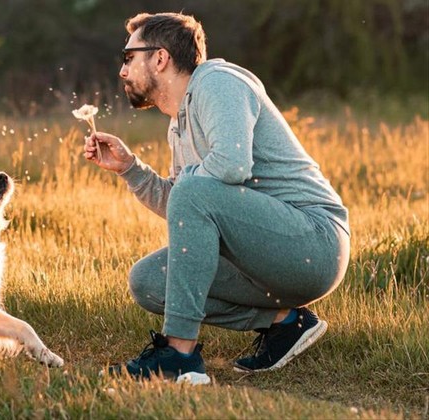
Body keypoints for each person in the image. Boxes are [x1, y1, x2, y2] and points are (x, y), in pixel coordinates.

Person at [83, 12, 350, 384]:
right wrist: (131, 169)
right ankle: (286, 322)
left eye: (129, 58)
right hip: (263, 256)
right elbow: (187, 206)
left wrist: (188, 188)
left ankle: (178, 355)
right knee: (147, 280)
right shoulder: (179, 124)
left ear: (160, 58)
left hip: (315, 244)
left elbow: (230, 167)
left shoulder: (218, 83)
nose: (123, 71)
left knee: (193, 189)